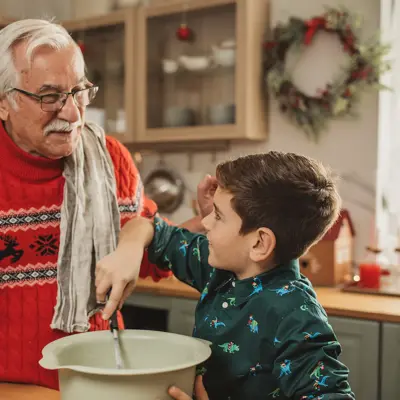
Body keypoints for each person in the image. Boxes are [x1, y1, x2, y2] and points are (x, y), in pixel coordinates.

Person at [0, 18, 212, 390]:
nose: (72, 113)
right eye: (49, 96)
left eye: (79, 91)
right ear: (4, 103)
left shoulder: (110, 159)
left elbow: (145, 256)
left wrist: (204, 224)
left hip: (99, 381)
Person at [96, 152, 356, 400]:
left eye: (218, 217)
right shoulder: (220, 269)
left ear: (259, 244)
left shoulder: (297, 316)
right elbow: (148, 226)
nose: (204, 223)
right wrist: (127, 251)